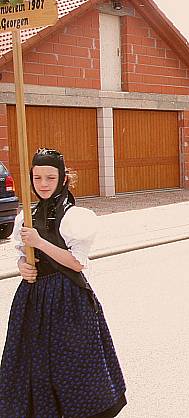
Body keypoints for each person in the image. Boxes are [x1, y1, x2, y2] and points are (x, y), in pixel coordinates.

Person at [0, 148, 126, 417]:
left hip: (68, 298)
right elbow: (23, 256)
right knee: (31, 363)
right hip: (32, 299)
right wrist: (23, 267)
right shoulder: (26, 215)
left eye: (49, 178)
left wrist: (40, 242)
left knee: (71, 364)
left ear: (63, 179)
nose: (43, 184)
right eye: (37, 178)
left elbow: (77, 263)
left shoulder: (74, 218)